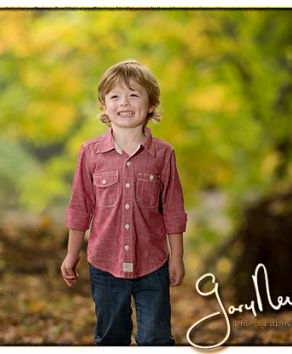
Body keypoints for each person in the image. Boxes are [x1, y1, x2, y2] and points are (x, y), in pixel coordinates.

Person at [61, 59, 187, 345]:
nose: (124, 102)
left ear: (151, 103)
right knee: (111, 338)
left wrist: (177, 257)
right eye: (115, 96)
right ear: (104, 106)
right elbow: (80, 207)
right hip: (104, 262)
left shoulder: (164, 154)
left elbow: (174, 210)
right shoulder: (90, 153)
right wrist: (71, 254)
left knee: (156, 338)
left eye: (134, 94)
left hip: (153, 263)